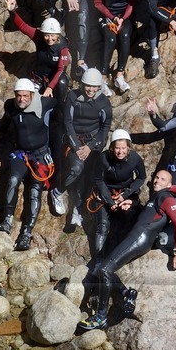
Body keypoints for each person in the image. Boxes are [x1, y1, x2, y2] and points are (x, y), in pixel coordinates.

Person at [80, 166, 176, 330]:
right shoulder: (157, 198)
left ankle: (100, 317)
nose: (157, 180)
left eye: (162, 179)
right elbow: (146, 214)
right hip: (136, 238)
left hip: (139, 239)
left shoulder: (166, 197)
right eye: (156, 177)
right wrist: (132, 203)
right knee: (101, 270)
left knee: (104, 270)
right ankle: (127, 294)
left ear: (169, 185)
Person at [0, 78, 55, 251]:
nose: (21, 99)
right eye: (18, 96)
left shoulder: (46, 104)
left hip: (41, 154)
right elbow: (6, 119)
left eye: (25, 96)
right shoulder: (10, 106)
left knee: (35, 191)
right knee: (13, 180)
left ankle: (26, 233)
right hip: (20, 153)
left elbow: (64, 108)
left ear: (32, 95)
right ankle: (7, 220)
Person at [51, 67, 111, 232]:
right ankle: (58, 191)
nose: (90, 90)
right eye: (87, 86)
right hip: (74, 140)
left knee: (90, 176)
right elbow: (67, 122)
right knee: (77, 169)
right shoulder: (73, 96)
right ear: (82, 84)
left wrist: (90, 147)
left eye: (94, 87)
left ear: (99, 87)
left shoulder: (104, 102)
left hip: (92, 143)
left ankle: (77, 209)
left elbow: (105, 127)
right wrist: (77, 148)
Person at [87, 128, 147, 260]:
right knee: (102, 226)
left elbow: (141, 177)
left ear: (128, 147)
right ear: (112, 148)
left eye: (123, 148)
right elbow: (98, 179)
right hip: (106, 194)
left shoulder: (135, 158)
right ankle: (98, 260)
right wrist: (109, 201)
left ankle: (122, 256)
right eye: (117, 148)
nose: (120, 152)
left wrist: (126, 195)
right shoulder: (103, 158)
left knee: (129, 219)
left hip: (126, 193)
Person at [5, 0, 71, 96]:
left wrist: (50, 88)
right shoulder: (38, 36)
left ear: (57, 35)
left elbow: (61, 70)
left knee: (62, 83)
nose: (49, 38)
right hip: (38, 78)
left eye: (52, 35)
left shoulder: (63, 47)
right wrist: (12, 11)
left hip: (55, 79)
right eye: (47, 35)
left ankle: (59, 109)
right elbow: (23, 26)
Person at [91, 0, 138, 93]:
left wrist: (122, 18)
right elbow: (98, 3)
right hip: (106, 15)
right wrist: (112, 17)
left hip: (125, 15)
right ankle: (103, 78)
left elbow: (132, 2)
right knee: (110, 38)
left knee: (124, 36)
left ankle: (119, 75)